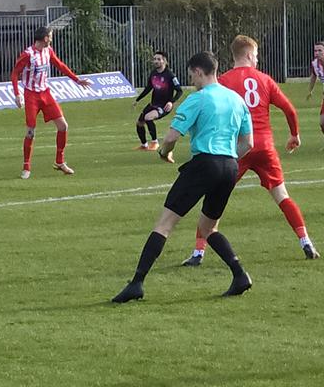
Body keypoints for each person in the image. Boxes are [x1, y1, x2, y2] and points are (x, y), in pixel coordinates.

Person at [112, 51, 254, 303]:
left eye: (192, 76)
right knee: (208, 227)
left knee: (165, 224)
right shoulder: (237, 100)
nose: (192, 81)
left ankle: (137, 283)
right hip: (230, 166)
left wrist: (165, 154)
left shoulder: (197, 99)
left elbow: (170, 138)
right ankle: (240, 275)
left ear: (199, 72)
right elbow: (248, 143)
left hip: (205, 164)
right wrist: (227, 159)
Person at [181, 36, 318, 265]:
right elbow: (289, 109)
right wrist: (294, 134)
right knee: (282, 195)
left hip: (238, 148)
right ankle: (305, 240)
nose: (257, 59)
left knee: (214, 200)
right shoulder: (265, 79)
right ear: (247, 55)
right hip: (265, 147)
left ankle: (198, 252)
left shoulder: (223, 81)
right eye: (255, 55)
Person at [11, 26, 93, 179]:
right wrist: (17, 94)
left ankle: (59, 161)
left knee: (63, 126)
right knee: (30, 131)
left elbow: (60, 65)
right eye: (50, 36)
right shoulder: (28, 54)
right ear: (44, 38)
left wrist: (77, 80)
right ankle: (26, 166)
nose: (52, 38)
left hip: (45, 93)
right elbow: (15, 73)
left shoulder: (48, 51)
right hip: (31, 95)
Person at [131, 51, 184, 151]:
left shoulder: (170, 75)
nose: (156, 61)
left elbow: (179, 91)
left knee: (148, 117)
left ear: (164, 61)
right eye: (154, 59)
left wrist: (171, 102)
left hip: (163, 106)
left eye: (158, 59)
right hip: (153, 104)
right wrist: (137, 99)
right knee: (139, 123)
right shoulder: (153, 74)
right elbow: (148, 88)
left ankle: (155, 143)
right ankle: (144, 145)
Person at [305, 41, 324, 136]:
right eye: (315, 51)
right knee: (322, 123)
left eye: (320, 50)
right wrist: (310, 91)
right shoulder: (315, 64)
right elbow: (314, 76)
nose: (317, 53)